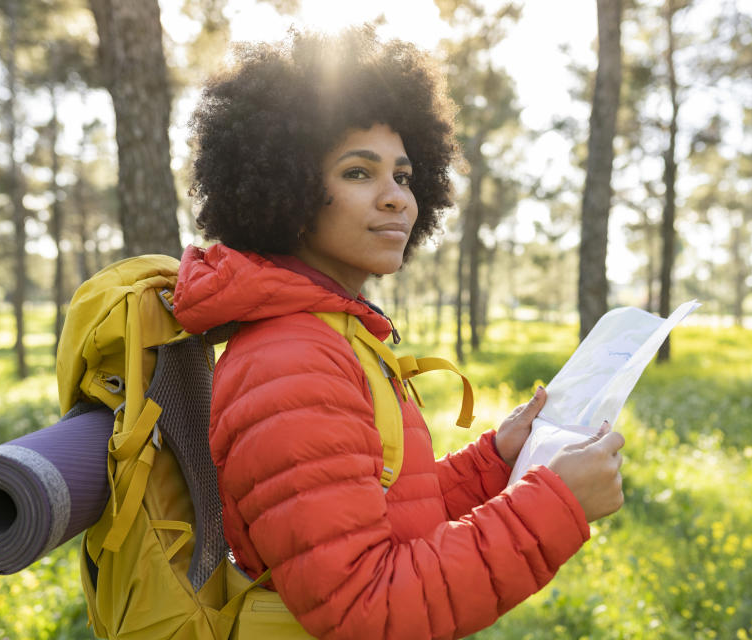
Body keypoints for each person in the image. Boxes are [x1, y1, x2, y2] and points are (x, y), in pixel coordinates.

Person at [173, 27, 625, 639]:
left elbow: (377, 510)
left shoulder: (329, 334)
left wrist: (495, 463)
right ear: (285, 189)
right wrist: (556, 505)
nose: (397, 200)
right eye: (359, 173)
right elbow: (366, 609)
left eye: (405, 177)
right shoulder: (289, 362)